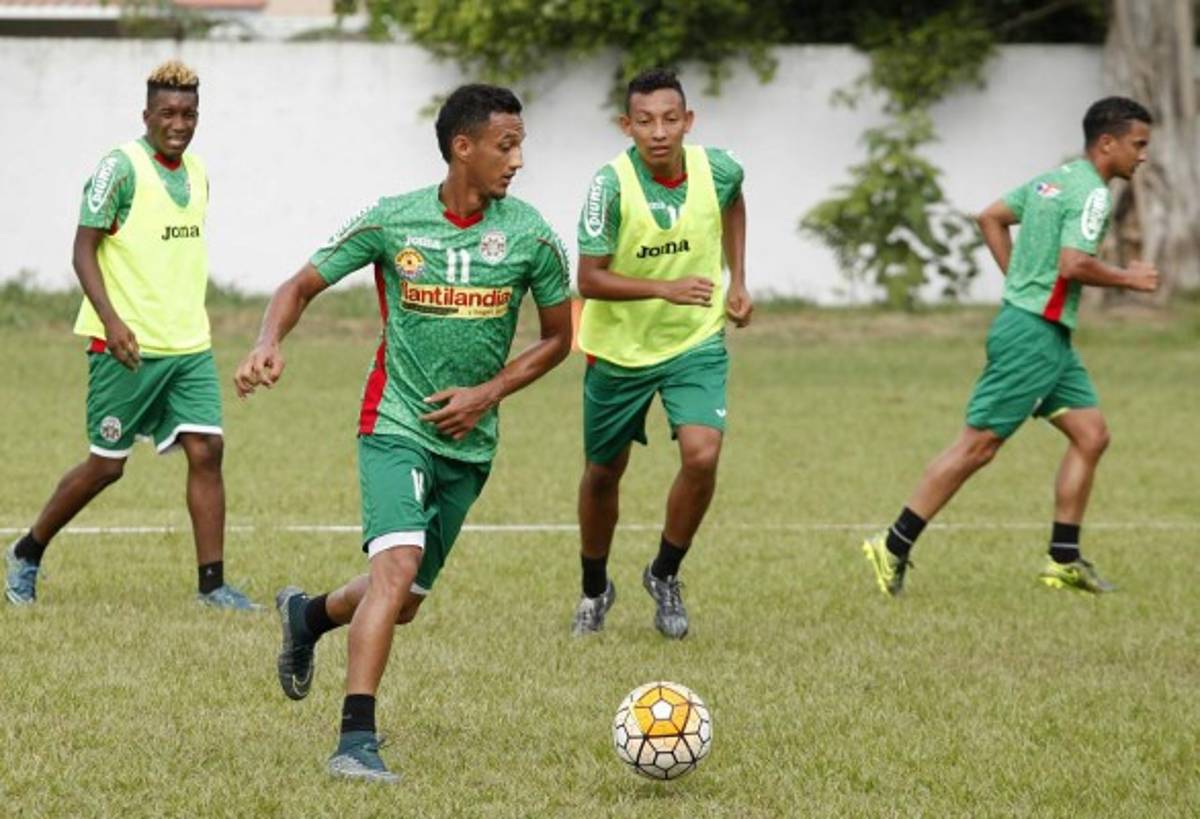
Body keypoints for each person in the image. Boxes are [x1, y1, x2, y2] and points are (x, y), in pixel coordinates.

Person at [234, 84, 572, 783]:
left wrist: (489, 391)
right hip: (393, 424)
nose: (518, 160)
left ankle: (308, 617)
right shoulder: (395, 220)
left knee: (405, 601)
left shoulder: (533, 236)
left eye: (521, 145)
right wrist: (268, 341)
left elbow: (559, 340)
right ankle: (355, 738)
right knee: (396, 567)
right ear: (463, 147)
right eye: (506, 145)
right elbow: (297, 286)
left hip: (471, 444)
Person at [863, 96, 1159, 597]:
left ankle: (1062, 558)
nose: (1143, 156)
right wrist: (1129, 279)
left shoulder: (1054, 180)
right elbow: (1072, 265)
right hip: (1033, 336)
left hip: (1045, 333)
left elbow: (990, 217)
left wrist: (1019, 282)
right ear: (1107, 143)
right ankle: (892, 543)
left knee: (1091, 434)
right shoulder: (1092, 195)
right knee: (977, 445)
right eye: (1138, 144)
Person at [5, 60, 257, 611]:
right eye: (167, 112)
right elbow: (83, 249)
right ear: (146, 115)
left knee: (207, 449)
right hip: (125, 347)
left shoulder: (198, 173)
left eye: (189, 113)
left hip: (188, 344)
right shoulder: (118, 169)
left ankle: (212, 586)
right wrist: (113, 321)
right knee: (106, 466)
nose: (179, 123)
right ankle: (26, 551)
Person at [569, 68, 752, 639]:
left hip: (693, 340)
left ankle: (664, 574)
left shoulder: (717, 167)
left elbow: (734, 202)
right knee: (603, 473)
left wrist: (738, 278)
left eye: (670, 119)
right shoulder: (609, 187)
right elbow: (589, 280)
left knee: (702, 455)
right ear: (627, 126)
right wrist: (663, 287)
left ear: (688, 121)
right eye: (645, 121)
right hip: (618, 348)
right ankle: (595, 588)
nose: (659, 131)